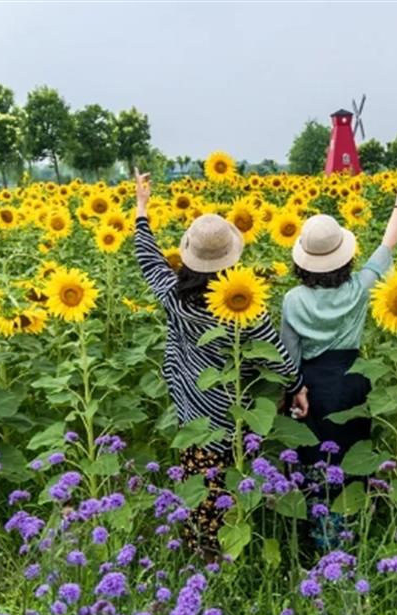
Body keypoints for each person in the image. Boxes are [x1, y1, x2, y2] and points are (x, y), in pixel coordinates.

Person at [132, 168, 308, 558]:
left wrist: (142, 209)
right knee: (240, 480)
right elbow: (275, 352)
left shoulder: (174, 297)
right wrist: (296, 386)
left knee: (201, 488)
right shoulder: (244, 306)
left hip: (194, 413)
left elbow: (148, 259)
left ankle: (205, 553)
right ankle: (237, 551)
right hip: (239, 417)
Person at [279, 164, 397, 549]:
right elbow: (387, 245)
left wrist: (293, 390)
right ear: (344, 258)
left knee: (313, 452)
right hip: (352, 378)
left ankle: (316, 531)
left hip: (309, 383)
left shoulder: (293, 299)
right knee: (350, 454)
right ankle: (347, 534)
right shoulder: (360, 287)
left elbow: (288, 351)